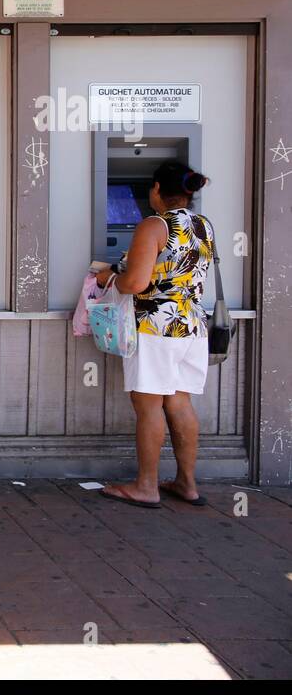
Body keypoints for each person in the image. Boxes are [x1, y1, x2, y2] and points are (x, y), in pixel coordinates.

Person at [95, 161, 213, 509]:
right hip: (191, 326)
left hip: (156, 327)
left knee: (148, 406)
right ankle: (187, 484)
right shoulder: (203, 225)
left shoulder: (154, 225)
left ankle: (146, 486)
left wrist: (107, 279)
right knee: (179, 402)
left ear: (157, 189)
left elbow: (136, 283)